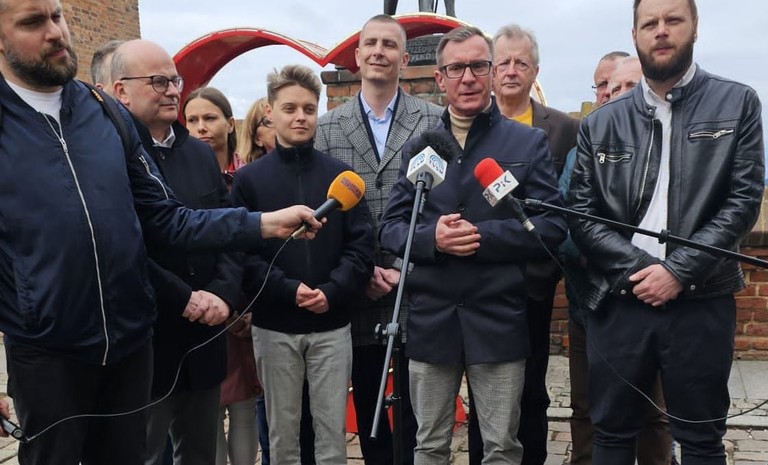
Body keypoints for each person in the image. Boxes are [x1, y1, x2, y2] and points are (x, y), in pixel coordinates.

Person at [0, 2, 321, 464]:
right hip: (47, 354)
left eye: (57, 16)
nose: (55, 32)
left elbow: (166, 219)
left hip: (131, 347)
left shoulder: (104, 114)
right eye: (33, 23)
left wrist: (263, 223)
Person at [567, 0, 764, 463]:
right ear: (634, 34)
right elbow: (582, 214)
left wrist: (678, 271)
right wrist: (641, 269)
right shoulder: (599, 123)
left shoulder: (738, 103)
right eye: (649, 23)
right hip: (621, 299)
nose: (660, 30)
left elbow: (742, 202)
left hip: (702, 300)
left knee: (701, 439)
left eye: (673, 20)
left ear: (694, 27)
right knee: (611, 434)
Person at [379, 26, 566, 464]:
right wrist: (433, 239)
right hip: (432, 321)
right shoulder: (419, 148)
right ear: (439, 78)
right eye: (456, 68)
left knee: (501, 447)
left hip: (498, 319)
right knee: (429, 445)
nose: (468, 77)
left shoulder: (527, 142)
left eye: (478, 66)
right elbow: (390, 229)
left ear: (492, 72)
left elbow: (553, 225)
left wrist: (483, 238)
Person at [314, 14, 442, 465]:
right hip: (358, 290)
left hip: (417, 287)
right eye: (371, 43)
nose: (378, 52)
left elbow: (442, 204)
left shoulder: (435, 121)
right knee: (368, 403)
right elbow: (326, 216)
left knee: (418, 410)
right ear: (357, 56)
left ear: (404, 59)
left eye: (389, 45)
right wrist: (363, 269)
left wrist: (407, 264)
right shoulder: (327, 128)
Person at [232, 64, 375, 465]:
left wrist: (332, 291)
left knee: (332, 435)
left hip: (332, 325)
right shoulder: (249, 181)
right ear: (270, 112)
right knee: (283, 436)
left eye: (309, 109)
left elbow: (361, 248)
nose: (300, 117)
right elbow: (242, 253)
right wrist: (287, 289)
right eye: (290, 108)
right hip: (274, 326)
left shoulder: (343, 177)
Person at [111, 39, 245, 465]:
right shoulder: (110, 157)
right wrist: (182, 297)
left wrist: (223, 293)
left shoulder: (200, 155)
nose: (173, 91)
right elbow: (123, 245)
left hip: (205, 336)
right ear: (121, 91)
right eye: (158, 81)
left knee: (201, 453)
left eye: (175, 81)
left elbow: (226, 231)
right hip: (148, 341)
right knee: (146, 454)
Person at [462, 24, 579, 465]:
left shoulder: (564, 130)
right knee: (482, 387)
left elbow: (567, 208)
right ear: (492, 71)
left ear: (535, 72)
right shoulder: (469, 125)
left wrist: (545, 270)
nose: (511, 71)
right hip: (480, 284)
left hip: (532, 284)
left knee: (531, 388)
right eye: (504, 62)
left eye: (521, 63)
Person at [560, 53, 673, 465]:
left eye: (626, 85)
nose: (613, 93)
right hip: (592, 305)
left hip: (649, 302)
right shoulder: (581, 150)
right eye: (605, 85)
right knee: (588, 408)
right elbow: (567, 228)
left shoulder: (665, 143)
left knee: (654, 413)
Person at [183, 86, 261, 465]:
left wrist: (248, 306)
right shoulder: (179, 176)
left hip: (246, 305)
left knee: (245, 405)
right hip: (201, 305)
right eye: (192, 120)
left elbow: (258, 246)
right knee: (206, 411)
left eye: (209, 118)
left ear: (229, 124)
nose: (201, 127)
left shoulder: (248, 177)